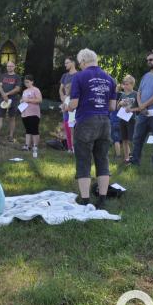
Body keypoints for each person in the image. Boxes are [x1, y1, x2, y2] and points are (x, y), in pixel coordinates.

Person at [64, 48, 117, 208]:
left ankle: (85, 199)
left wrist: (67, 106)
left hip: (86, 121)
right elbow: (112, 107)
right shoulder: (110, 79)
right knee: (102, 159)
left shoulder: (79, 77)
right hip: (105, 122)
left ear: (83, 61)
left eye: (80, 63)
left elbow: (74, 104)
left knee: (83, 160)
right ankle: (102, 199)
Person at [0, 61, 22, 143]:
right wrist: (3, 94)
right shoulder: (3, 76)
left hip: (13, 99)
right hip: (3, 99)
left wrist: (7, 94)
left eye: (11, 66)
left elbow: (17, 88)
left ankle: (11, 135)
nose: (9, 67)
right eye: (8, 66)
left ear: (14, 67)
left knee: (12, 117)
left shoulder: (17, 77)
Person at [20, 74, 43, 158]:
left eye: (28, 82)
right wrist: (21, 101)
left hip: (34, 113)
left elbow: (39, 100)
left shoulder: (36, 90)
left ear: (32, 82)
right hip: (25, 113)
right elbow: (23, 99)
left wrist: (28, 100)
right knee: (28, 130)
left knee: (34, 129)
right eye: (25, 82)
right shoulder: (24, 91)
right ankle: (27, 145)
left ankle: (35, 145)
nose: (26, 83)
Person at [59, 57, 79, 152]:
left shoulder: (79, 75)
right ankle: (69, 147)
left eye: (67, 63)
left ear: (73, 63)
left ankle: (76, 147)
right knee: (67, 127)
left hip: (75, 106)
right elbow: (61, 89)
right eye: (65, 63)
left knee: (75, 128)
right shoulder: (65, 76)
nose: (65, 65)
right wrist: (64, 99)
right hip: (66, 103)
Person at [116, 75, 138, 163]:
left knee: (132, 140)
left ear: (132, 84)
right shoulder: (122, 95)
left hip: (132, 120)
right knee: (124, 139)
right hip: (122, 120)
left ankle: (135, 157)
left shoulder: (136, 94)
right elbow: (117, 108)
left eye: (127, 84)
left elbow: (140, 108)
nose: (125, 86)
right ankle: (127, 158)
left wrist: (131, 109)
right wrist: (120, 104)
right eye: (124, 84)